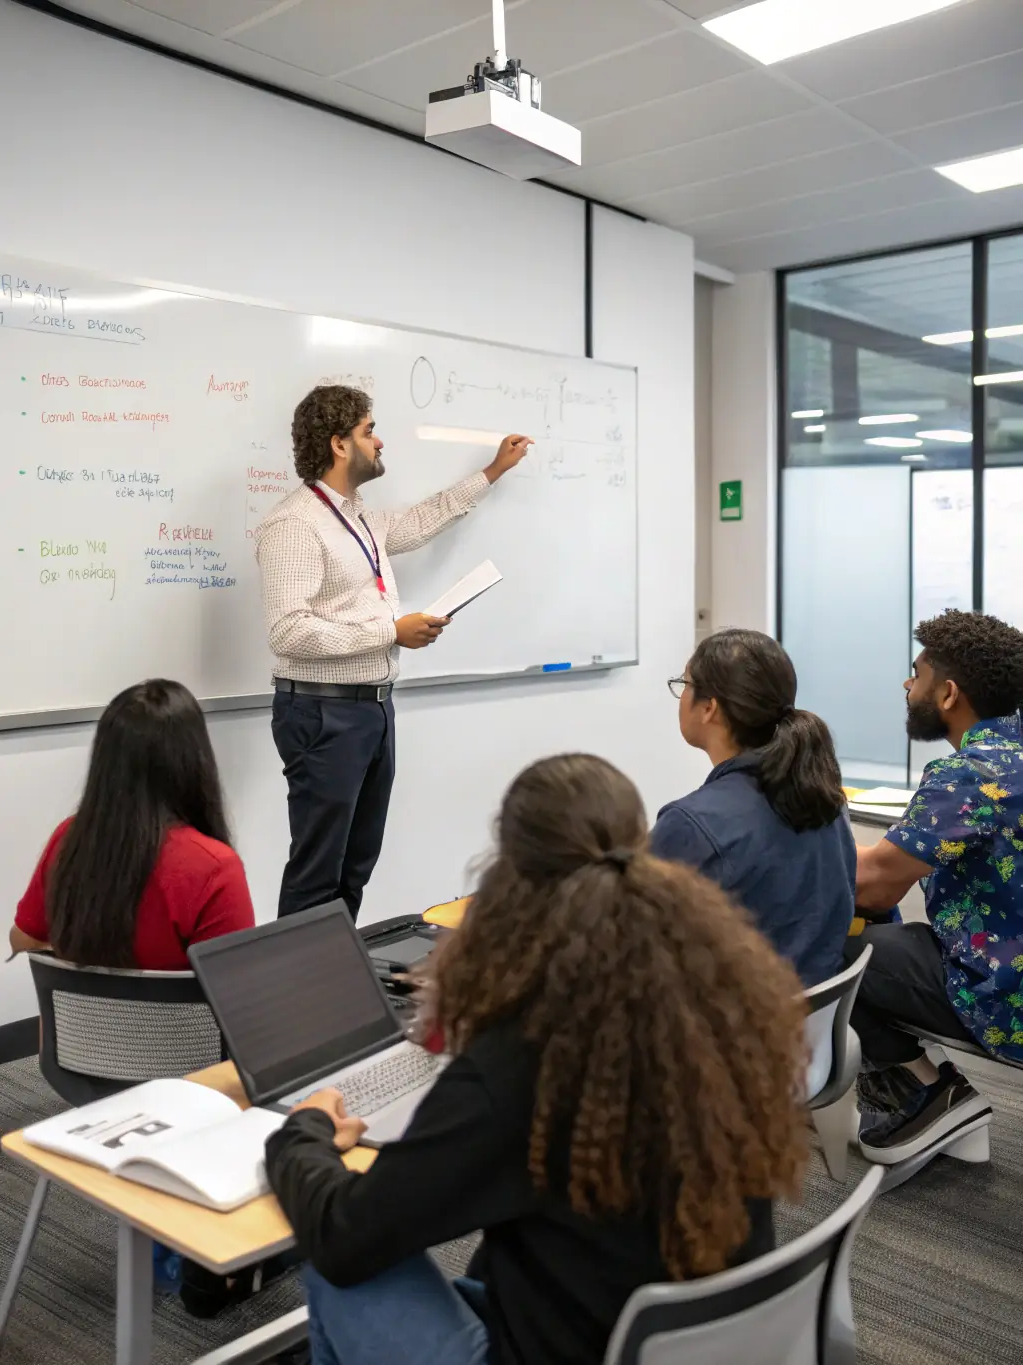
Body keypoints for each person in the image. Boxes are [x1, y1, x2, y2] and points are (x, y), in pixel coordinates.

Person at [265, 753, 810, 1365]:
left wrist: (301, 1133)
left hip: (575, 1345)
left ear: (509, 875)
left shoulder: (521, 1065)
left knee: (338, 1268)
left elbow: (345, 1237)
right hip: (685, 1337)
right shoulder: (715, 1001)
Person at [257, 385, 532, 921]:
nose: (379, 441)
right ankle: (296, 999)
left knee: (355, 864)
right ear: (339, 445)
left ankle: (336, 982)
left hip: (371, 709)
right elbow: (288, 632)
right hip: (321, 712)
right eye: (369, 431)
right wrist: (390, 631)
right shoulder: (294, 524)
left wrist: (493, 470)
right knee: (318, 872)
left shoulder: (357, 517)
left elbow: (422, 520)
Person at [851, 609, 1023, 1164]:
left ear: (948, 694)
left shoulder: (968, 775)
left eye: (917, 674)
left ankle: (927, 1093)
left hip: (1007, 997)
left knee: (837, 949)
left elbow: (874, 886)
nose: (908, 684)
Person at [649, 629, 854, 987]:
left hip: (729, 1034)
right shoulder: (825, 797)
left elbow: (632, 946)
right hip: (808, 1029)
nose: (681, 696)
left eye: (684, 684)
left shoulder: (692, 825)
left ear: (709, 707)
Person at [10, 679, 254, 969]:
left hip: (77, 1016)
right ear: (194, 761)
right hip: (176, 1017)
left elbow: (22, 939)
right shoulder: (213, 868)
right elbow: (235, 986)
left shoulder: (71, 839)